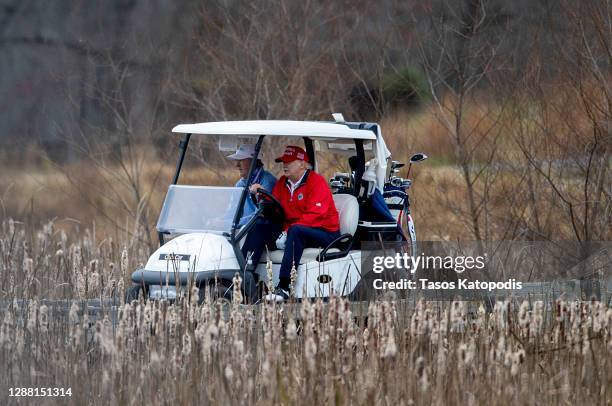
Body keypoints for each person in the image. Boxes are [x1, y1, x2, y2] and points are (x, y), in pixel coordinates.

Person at [242, 145, 340, 301]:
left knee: (296, 231)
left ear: (302, 163)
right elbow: (273, 209)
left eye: (289, 162)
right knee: (260, 226)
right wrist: (261, 195)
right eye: (283, 162)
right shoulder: (283, 183)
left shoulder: (317, 182)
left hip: (325, 232)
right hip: (295, 230)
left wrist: (286, 232)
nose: (284, 165)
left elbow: (315, 215)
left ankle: (284, 286)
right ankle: (245, 275)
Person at [226, 144, 277, 226]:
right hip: (241, 233)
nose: (237, 165)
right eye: (236, 160)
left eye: (241, 160)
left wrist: (231, 224)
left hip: (260, 231)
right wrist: (218, 222)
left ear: (253, 161)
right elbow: (232, 211)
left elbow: (259, 216)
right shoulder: (240, 184)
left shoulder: (268, 181)